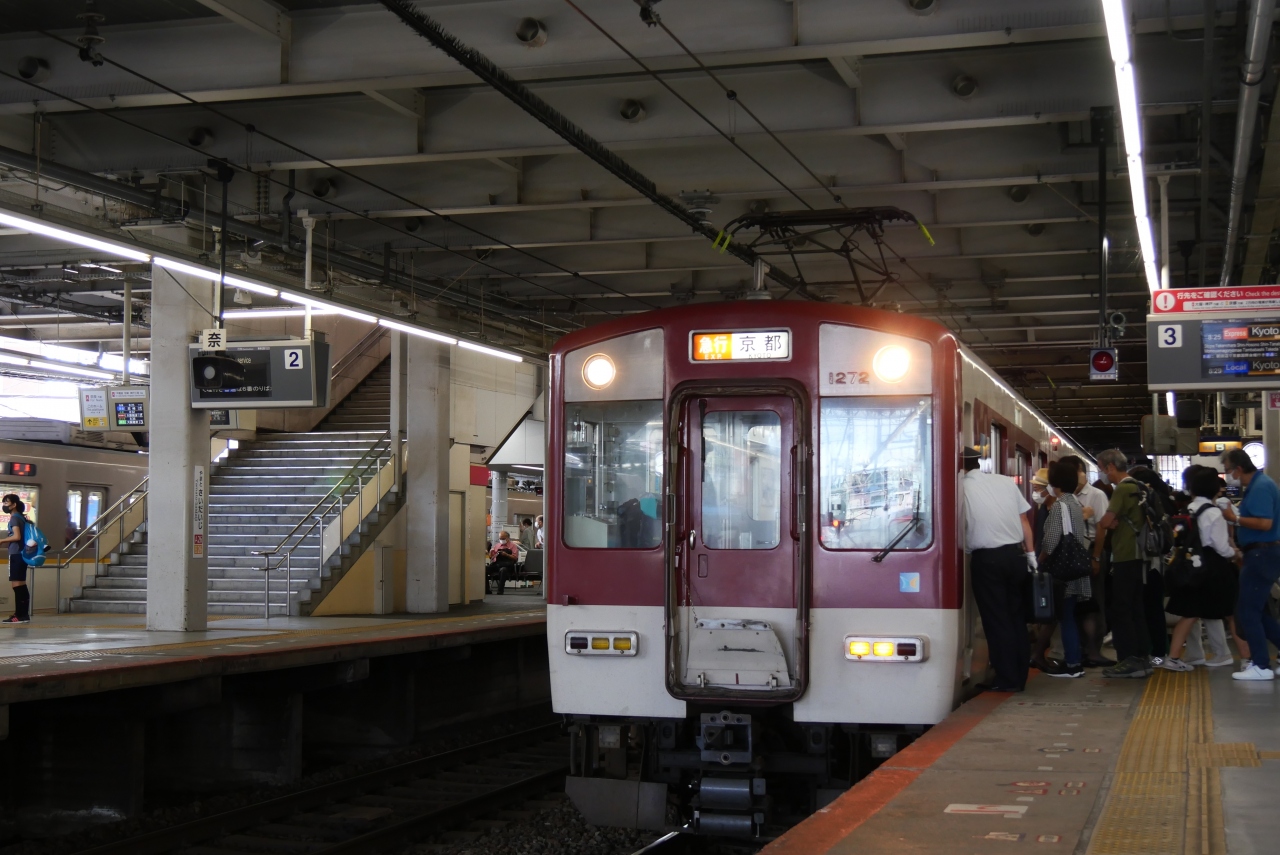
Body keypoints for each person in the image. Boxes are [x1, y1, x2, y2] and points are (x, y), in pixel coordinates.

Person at [961, 446, 1037, 692]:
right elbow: (1024, 520)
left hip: (988, 560)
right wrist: (1031, 555)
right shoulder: (1005, 482)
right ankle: (1020, 676)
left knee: (997, 620)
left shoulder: (961, 488)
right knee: (1016, 617)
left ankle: (1007, 679)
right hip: (1016, 557)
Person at [1162, 467, 1241, 671]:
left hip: (1189, 565)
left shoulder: (1187, 510)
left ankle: (1188, 656)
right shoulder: (1214, 513)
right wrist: (1235, 553)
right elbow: (1221, 546)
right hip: (1212, 566)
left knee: (1193, 612)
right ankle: (1240, 656)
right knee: (1228, 611)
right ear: (1215, 489)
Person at [1092, 449, 1153, 678]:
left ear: (1110, 467)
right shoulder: (1140, 487)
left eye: (1101, 468)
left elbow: (1105, 521)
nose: (1102, 474)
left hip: (1126, 555)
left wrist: (1107, 521)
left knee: (1121, 609)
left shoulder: (1123, 489)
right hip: (1140, 556)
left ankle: (1127, 659)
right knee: (1136, 608)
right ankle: (1142, 658)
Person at [1222, 449, 1280, 681]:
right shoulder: (1259, 485)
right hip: (1262, 553)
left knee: (1247, 611)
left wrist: (1234, 518)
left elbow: (1264, 523)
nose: (1228, 475)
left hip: (1261, 554)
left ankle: (1261, 665)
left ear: (1238, 468)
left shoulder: (1260, 487)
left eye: (1228, 470)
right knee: (1258, 611)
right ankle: (1262, 662)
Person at [1037, 461, 1091, 678]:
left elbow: (1050, 542)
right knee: (1069, 615)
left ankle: (1072, 665)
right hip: (1074, 567)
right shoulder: (1075, 503)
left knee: (1066, 617)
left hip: (1063, 570)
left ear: (1055, 483)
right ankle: (1074, 660)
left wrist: (1039, 561)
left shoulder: (1060, 506)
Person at [1062, 455, 1115, 667]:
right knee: (1075, 604)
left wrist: (1096, 558)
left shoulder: (1096, 495)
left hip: (1090, 551)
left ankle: (1093, 651)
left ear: (1080, 472)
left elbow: (1102, 529)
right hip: (1071, 554)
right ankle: (1081, 649)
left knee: (1092, 603)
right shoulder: (1063, 496)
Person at [0, 494, 30, 624]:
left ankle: (19, 615)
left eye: (6, 503)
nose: (4, 505)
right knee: (21, 585)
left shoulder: (14, 519)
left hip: (17, 554)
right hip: (21, 554)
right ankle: (23, 614)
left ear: (14, 505)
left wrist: (2, 540)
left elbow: (17, 536)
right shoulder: (21, 518)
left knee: (17, 585)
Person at [488, 531, 519, 595]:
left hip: (507, 565)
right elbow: (492, 558)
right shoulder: (497, 545)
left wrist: (506, 555)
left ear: (507, 538)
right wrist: (491, 553)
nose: (501, 540)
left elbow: (515, 558)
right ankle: (487, 590)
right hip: (497, 564)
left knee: (503, 570)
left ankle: (500, 590)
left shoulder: (513, 546)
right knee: (485, 569)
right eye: (500, 538)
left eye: (503, 538)